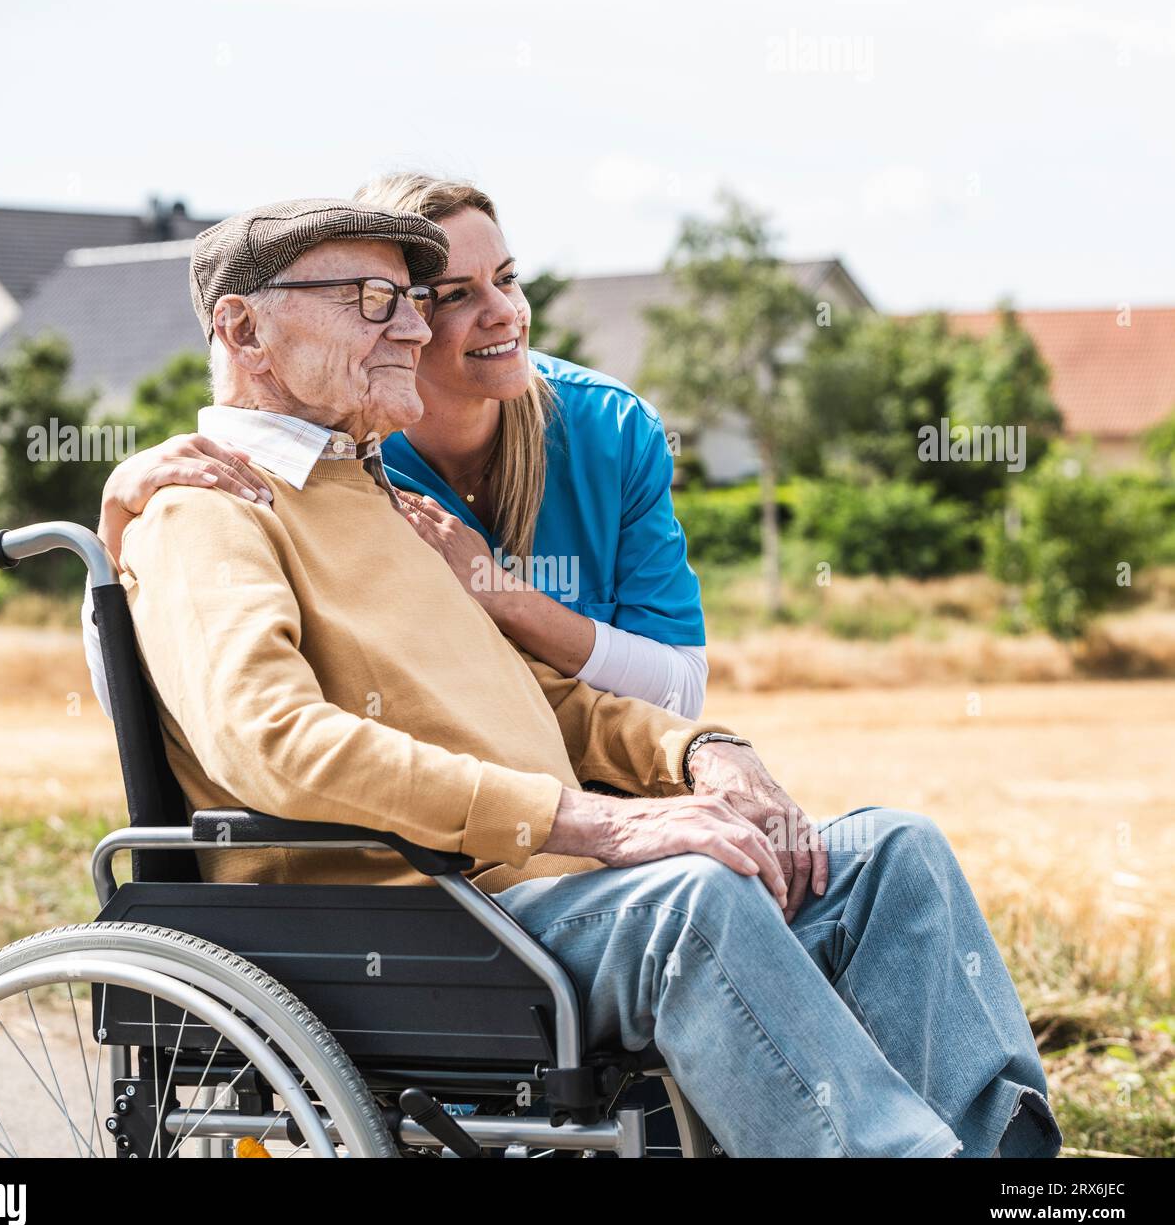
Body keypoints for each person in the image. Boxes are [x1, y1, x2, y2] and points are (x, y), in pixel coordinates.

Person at [110, 194, 1061, 1159]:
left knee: (889, 855)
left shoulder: (380, 496)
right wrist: (603, 822)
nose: (413, 326)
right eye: (372, 298)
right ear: (242, 328)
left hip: (540, 904)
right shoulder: (203, 511)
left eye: (409, 297)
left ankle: (1011, 1166)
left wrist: (702, 752)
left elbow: (546, 699)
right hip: (413, 920)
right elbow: (274, 742)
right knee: (697, 895)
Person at [85, 175, 707, 719]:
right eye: (452, 295)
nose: (507, 314)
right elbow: (178, 705)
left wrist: (500, 593)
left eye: (508, 279)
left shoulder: (611, 428)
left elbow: (679, 691)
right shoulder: (335, 460)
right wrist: (115, 536)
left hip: (585, 791)